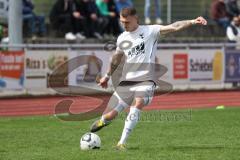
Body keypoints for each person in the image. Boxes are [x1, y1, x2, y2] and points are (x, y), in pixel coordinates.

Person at [90, 7, 207, 150]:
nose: (124, 25)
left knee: (138, 102)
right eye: (121, 22)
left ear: (135, 19)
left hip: (146, 78)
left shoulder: (150, 31)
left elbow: (174, 27)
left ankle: (121, 143)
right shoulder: (122, 38)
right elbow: (115, 59)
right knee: (110, 115)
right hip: (127, 80)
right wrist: (106, 76)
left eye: (126, 22)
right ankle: (103, 121)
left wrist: (193, 21)